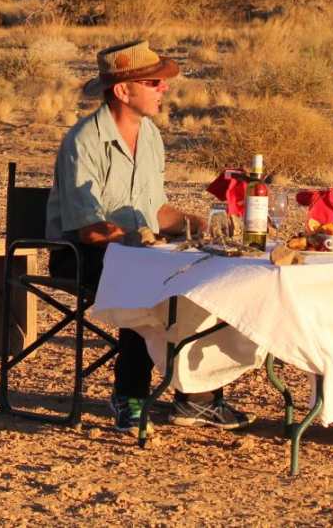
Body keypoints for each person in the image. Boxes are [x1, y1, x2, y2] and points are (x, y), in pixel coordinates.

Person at [46, 39, 253, 433]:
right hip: (80, 253)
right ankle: (130, 395)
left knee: (209, 280)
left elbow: (156, 211)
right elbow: (90, 229)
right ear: (124, 91)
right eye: (155, 82)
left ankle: (197, 398)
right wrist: (140, 240)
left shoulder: (152, 137)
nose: (165, 89)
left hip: (140, 252)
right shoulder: (84, 141)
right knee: (147, 286)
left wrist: (203, 224)